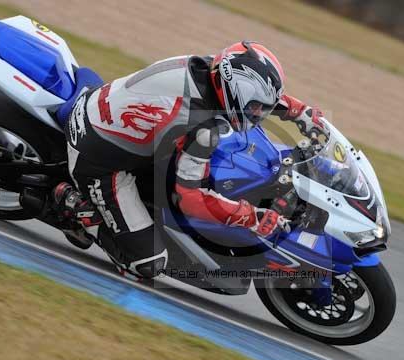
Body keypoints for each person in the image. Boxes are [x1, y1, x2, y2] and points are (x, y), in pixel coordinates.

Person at [53, 41, 325, 280]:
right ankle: (77, 208)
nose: (259, 114)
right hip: (99, 161)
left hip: (111, 113)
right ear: (237, 93)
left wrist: (298, 111)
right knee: (149, 264)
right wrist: (252, 218)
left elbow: (252, 92)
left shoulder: (211, 68)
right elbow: (191, 199)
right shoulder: (201, 126)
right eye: (256, 107)